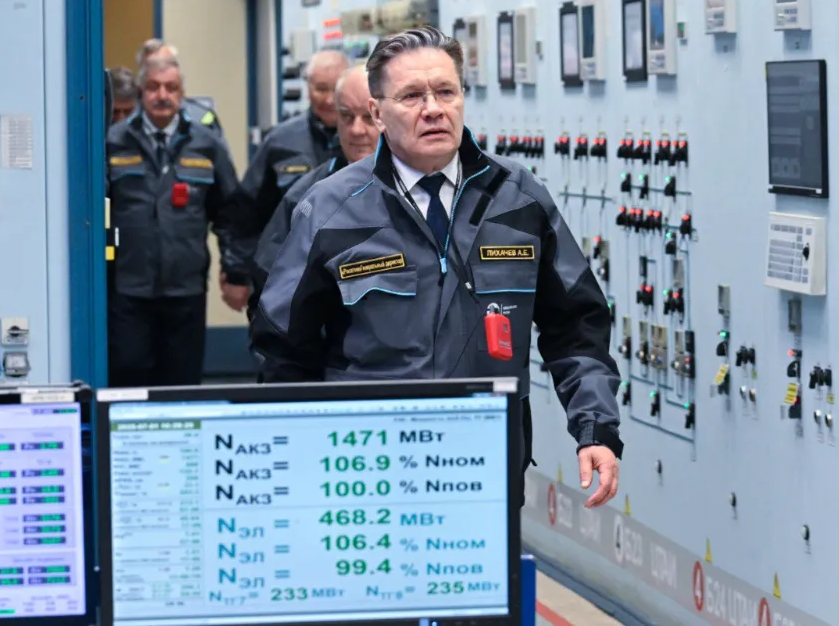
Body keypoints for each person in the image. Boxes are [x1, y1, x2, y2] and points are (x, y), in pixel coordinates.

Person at [252, 27, 622, 508]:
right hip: (367, 471)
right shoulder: (330, 209)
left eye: (446, 91)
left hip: (485, 465)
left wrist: (595, 427)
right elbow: (282, 348)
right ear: (377, 113)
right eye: (411, 96)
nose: (433, 108)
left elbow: (577, 325)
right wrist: (301, 452)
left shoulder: (517, 198)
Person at [106, 55, 249, 387]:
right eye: (154, 87)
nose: (162, 95)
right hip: (128, 288)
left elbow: (231, 214)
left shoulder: (206, 144)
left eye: (171, 88)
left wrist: (235, 271)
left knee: (182, 383)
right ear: (141, 92)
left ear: (182, 94)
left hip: (185, 289)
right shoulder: (114, 141)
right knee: (128, 379)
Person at [249, 65, 380, 316]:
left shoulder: (418, 189)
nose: (356, 130)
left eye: (368, 117)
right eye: (346, 116)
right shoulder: (309, 196)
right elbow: (270, 281)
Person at [234, 49, 350, 251]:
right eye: (321, 89)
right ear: (307, 87)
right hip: (293, 262)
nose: (329, 100)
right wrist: (243, 266)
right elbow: (246, 215)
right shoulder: (280, 141)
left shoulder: (370, 137)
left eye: (336, 89)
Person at [135, 39, 225, 136]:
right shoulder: (126, 115)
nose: (162, 95)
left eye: (167, 65)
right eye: (152, 66)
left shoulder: (202, 117)